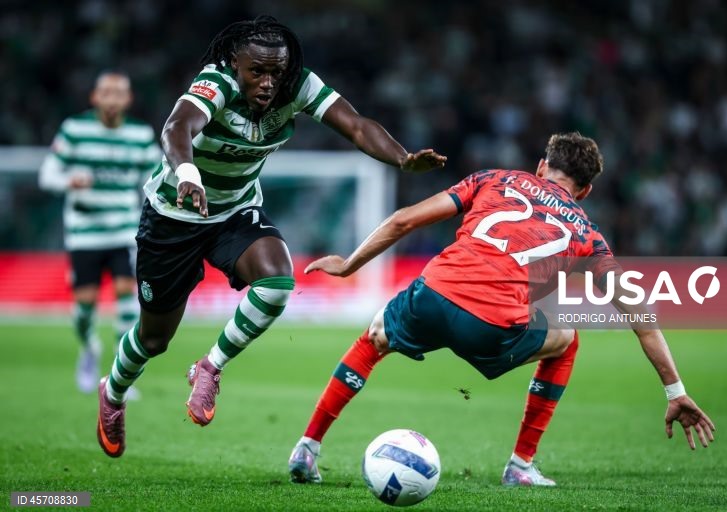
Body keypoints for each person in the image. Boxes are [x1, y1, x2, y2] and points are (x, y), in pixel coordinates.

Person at [95, 16, 446, 458]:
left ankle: (209, 368)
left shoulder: (297, 85)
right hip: (175, 215)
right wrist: (187, 173)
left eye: (275, 72)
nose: (267, 82)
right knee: (153, 339)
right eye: (256, 72)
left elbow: (356, 125)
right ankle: (114, 392)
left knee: (278, 280)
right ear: (235, 65)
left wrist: (403, 158)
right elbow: (176, 128)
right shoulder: (216, 81)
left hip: (234, 212)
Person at [287, 132, 715, 486]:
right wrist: (675, 391)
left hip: (432, 297)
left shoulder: (494, 178)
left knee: (376, 335)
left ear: (541, 166)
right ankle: (521, 466)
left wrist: (348, 265)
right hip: (491, 326)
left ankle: (307, 448)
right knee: (565, 338)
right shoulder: (588, 234)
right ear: (584, 191)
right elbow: (639, 315)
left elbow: (403, 220)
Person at [39, 71, 160, 397]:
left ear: (128, 100)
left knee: (126, 292)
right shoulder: (75, 130)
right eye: (106, 92)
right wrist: (68, 181)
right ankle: (89, 348)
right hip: (84, 232)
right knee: (85, 304)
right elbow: (47, 173)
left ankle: (120, 373)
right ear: (94, 97)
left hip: (123, 229)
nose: (112, 98)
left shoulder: (140, 134)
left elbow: (156, 177)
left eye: (119, 93)